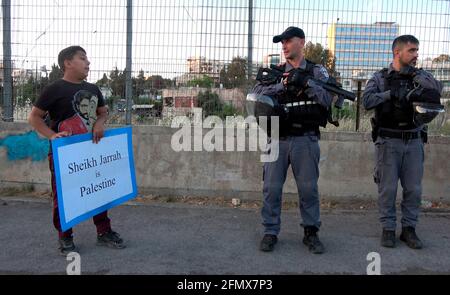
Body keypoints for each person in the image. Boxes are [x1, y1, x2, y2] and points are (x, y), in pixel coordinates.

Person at [28, 46, 126, 255]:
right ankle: (65, 237)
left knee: (98, 191)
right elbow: (34, 117)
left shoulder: (93, 89)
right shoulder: (54, 89)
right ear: (67, 63)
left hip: (92, 153)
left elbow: (102, 112)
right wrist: (52, 135)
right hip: (63, 155)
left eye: (87, 59)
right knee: (64, 195)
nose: (88, 63)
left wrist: (100, 123)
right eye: (82, 58)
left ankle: (104, 232)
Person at [250, 27, 334, 254]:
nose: (284, 46)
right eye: (282, 42)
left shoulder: (317, 72)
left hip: (305, 140)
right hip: (276, 138)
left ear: (302, 42)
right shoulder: (275, 72)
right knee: (271, 188)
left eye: (288, 41)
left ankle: (311, 232)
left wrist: (306, 83)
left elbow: (328, 99)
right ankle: (270, 231)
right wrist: (283, 85)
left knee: (308, 190)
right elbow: (256, 95)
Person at [362, 35, 443, 249]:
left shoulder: (420, 75)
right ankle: (388, 229)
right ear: (397, 52)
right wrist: (391, 94)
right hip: (388, 141)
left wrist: (417, 77)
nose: (416, 55)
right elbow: (367, 101)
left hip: (414, 140)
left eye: (417, 51)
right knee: (387, 189)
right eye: (412, 51)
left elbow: (437, 90)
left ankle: (409, 230)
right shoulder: (380, 78)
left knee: (413, 190)